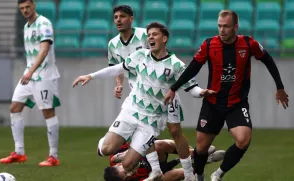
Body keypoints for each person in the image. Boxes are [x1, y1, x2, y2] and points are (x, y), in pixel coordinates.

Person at [73, 22, 215, 181]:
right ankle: (107, 143)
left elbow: (191, 87)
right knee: (107, 149)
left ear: (165, 38)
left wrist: (201, 92)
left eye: (155, 34)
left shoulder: (176, 65)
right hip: (131, 110)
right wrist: (91, 76)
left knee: (128, 165)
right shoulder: (140, 56)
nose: (150, 38)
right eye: (148, 35)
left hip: (151, 121)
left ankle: (176, 169)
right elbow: (117, 68)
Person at [163, 10, 289, 181]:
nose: (222, 30)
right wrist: (174, 88)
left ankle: (218, 174)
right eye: (219, 26)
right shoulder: (209, 45)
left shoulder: (248, 44)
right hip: (213, 103)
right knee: (201, 149)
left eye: (226, 27)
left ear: (235, 27)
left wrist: (279, 87)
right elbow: (193, 67)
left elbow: (268, 60)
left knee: (243, 140)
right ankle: (199, 175)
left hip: (237, 103)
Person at [108, 5, 199, 180]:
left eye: (122, 16)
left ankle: (193, 162)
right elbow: (117, 67)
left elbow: (159, 55)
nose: (118, 20)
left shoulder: (145, 35)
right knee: (142, 128)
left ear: (131, 18)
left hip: (162, 90)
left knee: (174, 131)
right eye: (116, 17)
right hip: (139, 93)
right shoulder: (113, 44)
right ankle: (160, 169)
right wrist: (119, 84)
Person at [0, 0, 61, 167]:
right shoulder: (27, 27)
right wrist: (30, 72)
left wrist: (31, 71)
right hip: (30, 75)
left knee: (48, 112)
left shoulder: (44, 23)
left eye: (27, 7)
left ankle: (53, 156)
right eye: (22, 8)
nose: (25, 11)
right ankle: (19, 152)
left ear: (34, 5)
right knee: (14, 107)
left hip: (44, 75)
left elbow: (44, 49)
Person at [104, 139, 226, 181]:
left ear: (119, 163)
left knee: (158, 144)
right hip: (156, 173)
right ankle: (200, 162)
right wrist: (178, 161)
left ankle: (195, 153)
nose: (130, 175)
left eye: (125, 172)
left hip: (153, 153)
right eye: (127, 178)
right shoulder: (133, 179)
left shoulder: (117, 154)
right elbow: (161, 171)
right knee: (178, 174)